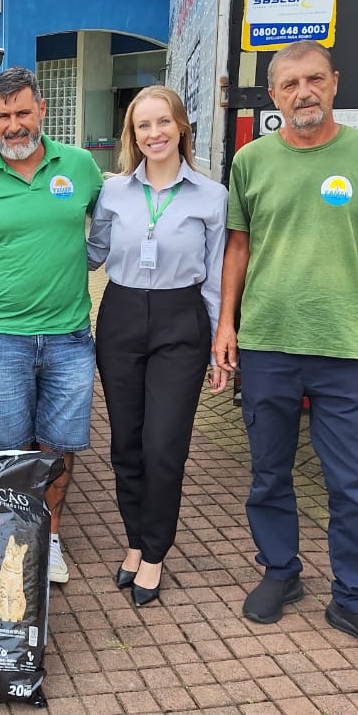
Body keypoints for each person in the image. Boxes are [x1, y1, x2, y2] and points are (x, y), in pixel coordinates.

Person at [212, 40, 358, 664]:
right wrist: (226, 326)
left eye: (315, 80)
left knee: (352, 483)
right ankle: (281, 570)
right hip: (268, 341)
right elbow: (238, 249)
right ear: (272, 95)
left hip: (344, 346)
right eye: (290, 83)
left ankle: (353, 599)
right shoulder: (250, 161)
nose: (304, 92)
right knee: (269, 472)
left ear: (334, 84)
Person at [0, 66, 104, 584]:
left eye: (23, 113)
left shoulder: (80, 167)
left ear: (41, 112)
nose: (14, 125)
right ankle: (18, 532)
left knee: (61, 444)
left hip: (70, 334)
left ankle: (48, 536)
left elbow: (117, 225)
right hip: (1, 336)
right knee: (13, 443)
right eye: (4, 115)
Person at [87, 86, 229, 608]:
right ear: (132, 135)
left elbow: (215, 276)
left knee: (163, 446)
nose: (155, 134)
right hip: (121, 315)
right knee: (125, 443)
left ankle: (155, 552)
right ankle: (133, 540)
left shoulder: (211, 197)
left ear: (182, 127)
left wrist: (218, 342)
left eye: (163, 122)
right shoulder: (114, 192)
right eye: (143, 126)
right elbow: (93, 253)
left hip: (181, 320)